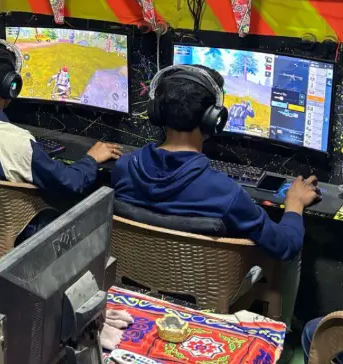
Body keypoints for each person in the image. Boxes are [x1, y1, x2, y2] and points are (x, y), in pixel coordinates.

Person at [111, 64, 320, 327]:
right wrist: (295, 205)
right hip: (210, 294)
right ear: (214, 119)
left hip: (137, 285)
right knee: (291, 251)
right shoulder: (224, 192)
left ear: (156, 111)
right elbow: (285, 245)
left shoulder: (124, 167)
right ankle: (282, 330)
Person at [0, 38, 122, 198]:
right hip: (9, 231)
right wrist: (91, 159)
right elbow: (71, 183)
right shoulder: (16, 143)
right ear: (11, 87)